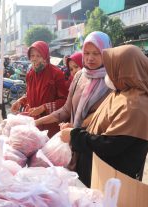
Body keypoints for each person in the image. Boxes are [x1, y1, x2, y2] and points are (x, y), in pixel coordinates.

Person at [60, 45, 148, 188]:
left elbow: (110, 145)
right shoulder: (121, 93)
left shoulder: (137, 105)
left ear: (126, 71)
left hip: (113, 182)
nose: (108, 74)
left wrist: (75, 136)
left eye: (112, 68)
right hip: (98, 175)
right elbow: (102, 124)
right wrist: (77, 129)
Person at [35, 32, 112, 184]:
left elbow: (105, 116)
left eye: (96, 53)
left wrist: (76, 127)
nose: (90, 58)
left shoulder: (112, 81)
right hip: (72, 145)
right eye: (87, 53)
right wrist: (35, 122)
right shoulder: (79, 76)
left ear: (107, 53)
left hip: (95, 148)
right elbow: (65, 110)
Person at [11, 41, 70, 137]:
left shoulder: (56, 74)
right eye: (32, 56)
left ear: (46, 57)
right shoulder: (30, 74)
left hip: (50, 124)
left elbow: (65, 101)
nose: (35, 59)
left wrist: (44, 107)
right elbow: (31, 94)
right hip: (33, 122)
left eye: (39, 56)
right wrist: (20, 101)